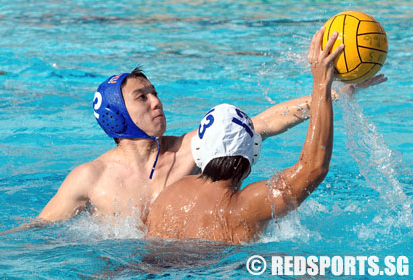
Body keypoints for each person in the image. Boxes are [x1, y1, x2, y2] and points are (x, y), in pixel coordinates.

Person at [5, 25, 386, 233]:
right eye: (142, 97)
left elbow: (264, 123)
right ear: (117, 113)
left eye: (155, 92)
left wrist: (335, 93)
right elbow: (39, 231)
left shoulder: (188, 149)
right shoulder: (89, 178)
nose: (157, 101)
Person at [145, 27, 386, 244]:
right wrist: (321, 83)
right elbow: (313, 168)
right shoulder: (243, 207)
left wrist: (337, 93)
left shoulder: (168, 195)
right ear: (254, 151)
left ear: (198, 150)